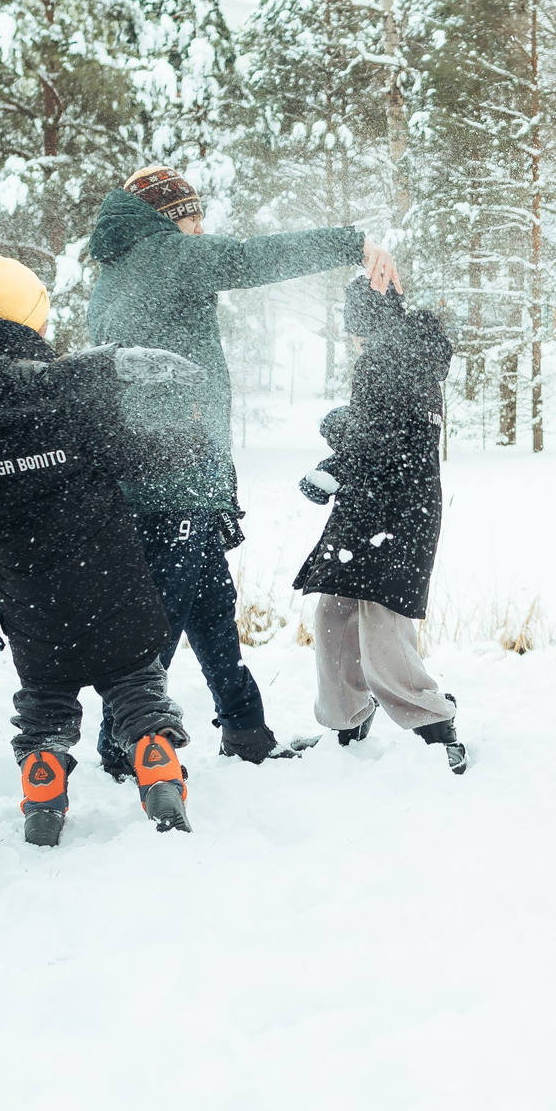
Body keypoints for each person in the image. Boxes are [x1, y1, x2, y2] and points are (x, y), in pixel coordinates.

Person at [85, 165, 403, 766]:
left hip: (162, 472)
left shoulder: (115, 271)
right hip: (173, 475)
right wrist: (353, 244)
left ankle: (246, 732)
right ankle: (123, 745)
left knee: (210, 608)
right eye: (192, 217)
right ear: (167, 217)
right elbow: (251, 258)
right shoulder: (166, 254)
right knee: (162, 619)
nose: (200, 229)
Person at [0, 257, 209, 845]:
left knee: (44, 700)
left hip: (29, 595)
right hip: (111, 575)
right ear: (28, 321)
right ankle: (156, 762)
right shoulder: (68, 389)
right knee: (136, 683)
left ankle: (43, 787)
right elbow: (139, 458)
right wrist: (192, 435)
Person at [291, 275, 465, 769]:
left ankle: (434, 724)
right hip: (382, 506)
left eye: (352, 320)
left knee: (381, 623)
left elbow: (382, 441)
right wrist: (345, 443)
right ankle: (346, 718)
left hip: (390, 511)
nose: (350, 333)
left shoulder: (390, 356)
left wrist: (336, 446)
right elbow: (387, 431)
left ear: (365, 317)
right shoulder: (405, 353)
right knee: (335, 613)